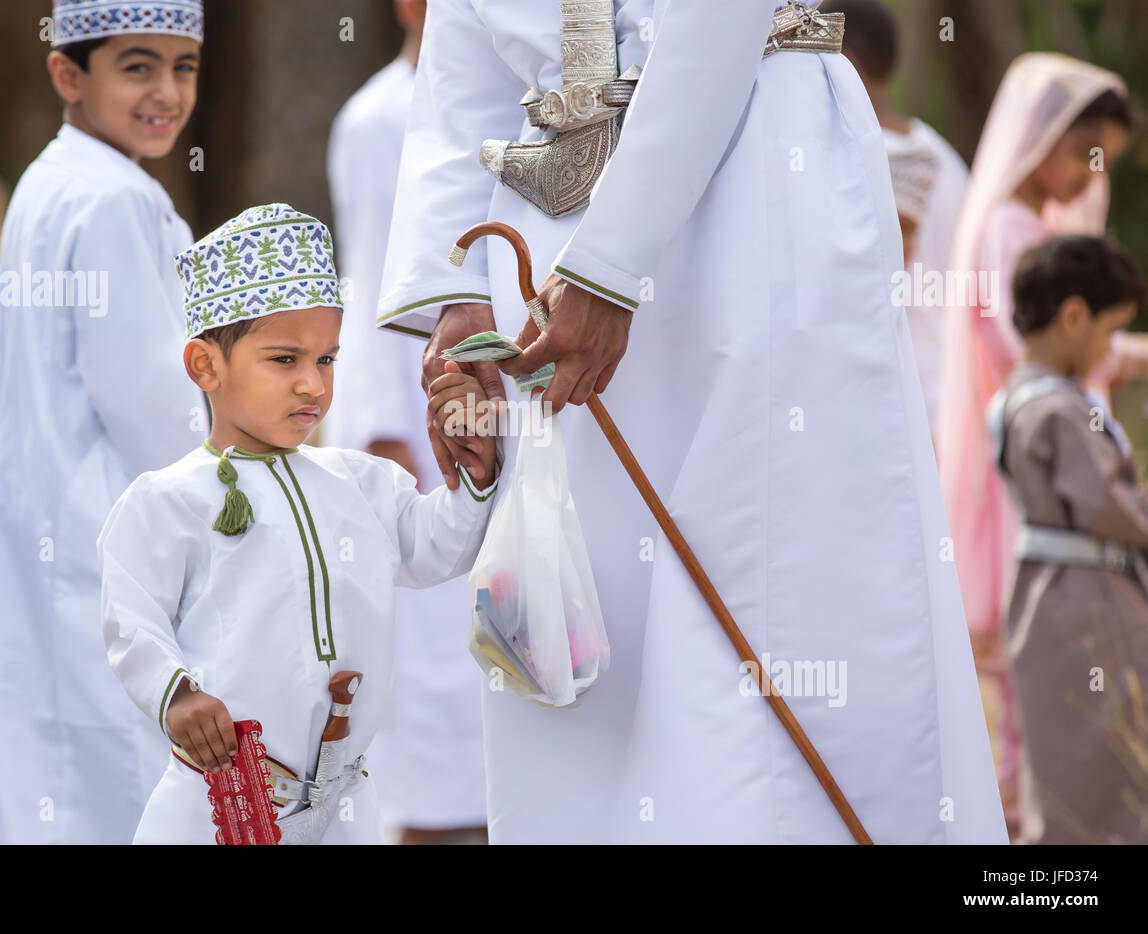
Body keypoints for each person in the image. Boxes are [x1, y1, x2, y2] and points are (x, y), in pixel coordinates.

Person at [377, 0, 1005, 843]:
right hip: (537, 224)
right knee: (583, 621)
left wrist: (610, 265)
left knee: (771, 608)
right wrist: (453, 295)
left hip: (756, 183)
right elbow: (457, 66)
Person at [97, 204, 500, 844]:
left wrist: (475, 476)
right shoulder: (167, 500)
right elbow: (132, 619)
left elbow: (433, 550)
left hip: (344, 806)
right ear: (205, 366)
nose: (312, 384)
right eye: (284, 360)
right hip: (221, 804)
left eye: (328, 360)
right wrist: (178, 696)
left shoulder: (360, 482)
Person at [0, 0, 207, 843]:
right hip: (113, 540)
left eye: (184, 67)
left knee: (58, 781)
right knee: (128, 787)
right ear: (68, 74)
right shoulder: (111, 201)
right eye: (138, 66)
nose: (168, 93)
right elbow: (156, 403)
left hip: (41, 535)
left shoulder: (45, 186)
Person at [934, 53, 1136, 831]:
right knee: (1032, 686)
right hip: (1028, 494)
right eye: (1089, 157)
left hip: (1022, 477)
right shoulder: (1011, 233)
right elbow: (1049, 357)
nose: (1093, 181)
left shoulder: (1015, 225)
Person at [324, 0, 489, 844]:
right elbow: (371, 287)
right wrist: (388, 438)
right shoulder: (379, 117)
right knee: (427, 683)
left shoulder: (504, 99)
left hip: (492, 419)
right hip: (417, 434)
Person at [988, 235, 1148, 844]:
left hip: (1049, 600)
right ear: (1074, 316)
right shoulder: (1057, 411)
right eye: (1109, 332)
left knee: (1066, 756)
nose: (1109, 350)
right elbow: (1116, 509)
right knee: (1104, 756)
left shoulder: (1016, 399)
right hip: (1092, 605)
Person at [823, 0, 968, 430]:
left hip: (898, 395)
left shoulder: (876, 156)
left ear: (844, 59)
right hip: (945, 385)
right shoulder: (942, 151)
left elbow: (871, 282)